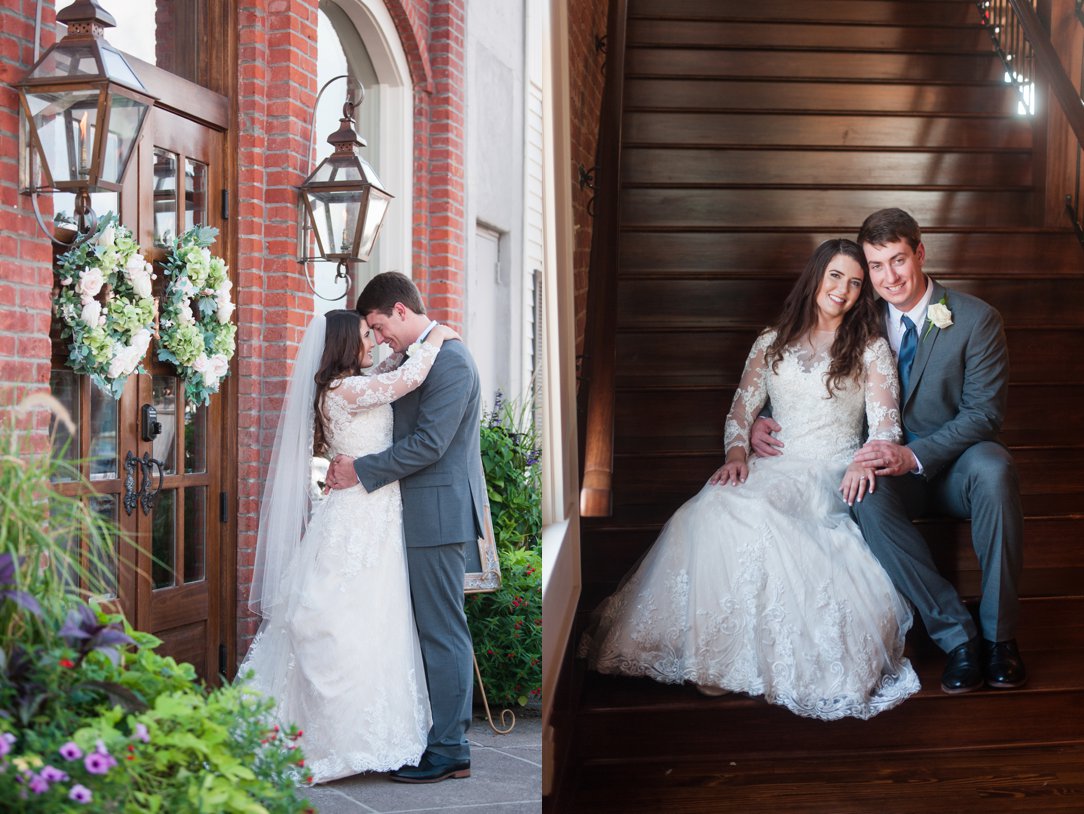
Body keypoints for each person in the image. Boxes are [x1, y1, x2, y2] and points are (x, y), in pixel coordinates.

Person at [579, 239, 920, 720]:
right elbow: (740, 412)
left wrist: (864, 461)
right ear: (816, 277)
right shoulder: (770, 342)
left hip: (828, 470)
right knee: (707, 509)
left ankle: (751, 658)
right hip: (773, 464)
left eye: (855, 282)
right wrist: (737, 452)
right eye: (836, 276)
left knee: (759, 516)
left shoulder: (869, 349)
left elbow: (886, 426)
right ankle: (714, 657)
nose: (843, 290)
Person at [755, 208, 1025, 694]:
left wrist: (915, 456)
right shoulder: (860, 313)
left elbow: (984, 414)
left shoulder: (976, 318)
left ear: (920, 254)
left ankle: (999, 638)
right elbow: (804, 372)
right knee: (865, 497)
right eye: (876, 266)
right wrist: (761, 420)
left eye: (898, 261)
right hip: (890, 468)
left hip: (959, 461)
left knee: (997, 470)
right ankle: (956, 636)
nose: (888, 277)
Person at [240, 308, 458, 783]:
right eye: (366, 334)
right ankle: (341, 738)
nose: (375, 342)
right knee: (349, 614)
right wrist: (436, 336)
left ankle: (376, 734)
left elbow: (389, 369)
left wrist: (401, 344)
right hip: (361, 512)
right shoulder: (346, 389)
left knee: (375, 615)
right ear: (344, 343)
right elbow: (409, 378)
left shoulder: (348, 384)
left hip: (371, 508)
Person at [324, 271, 487, 784]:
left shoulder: (452, 361)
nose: (377, 339)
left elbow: (431, 445)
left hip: (435, 517)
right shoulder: (421, 356)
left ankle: (450, 749)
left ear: (398, 309)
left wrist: (361, 471)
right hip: (405, 514)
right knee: (421, 630)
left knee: (442, 631)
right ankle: (427, 738)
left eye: (377, 325)